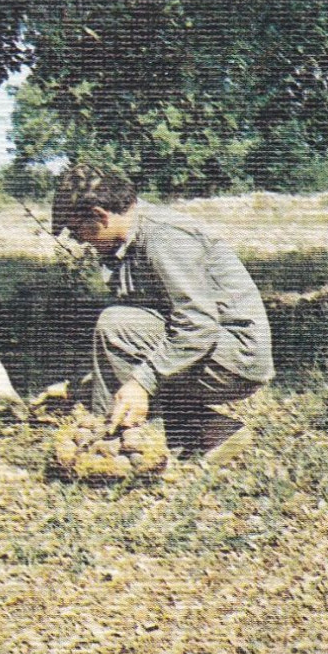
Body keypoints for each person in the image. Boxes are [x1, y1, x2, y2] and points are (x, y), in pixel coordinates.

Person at [48, 163, 274, 458]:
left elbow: (197, 325)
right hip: (215, 353)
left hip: (238, 359)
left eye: (78, 234)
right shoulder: (129, 241)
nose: (84, 244)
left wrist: (144, 381)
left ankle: (118, 442)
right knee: (121, 328)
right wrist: (86, 385)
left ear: (100, 216)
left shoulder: (163, 238)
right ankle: (211, 432)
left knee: (116, 325)